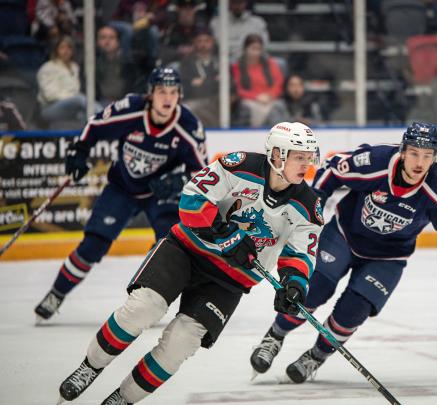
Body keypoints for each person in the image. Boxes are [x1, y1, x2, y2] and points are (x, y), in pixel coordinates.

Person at [56, 121, 323, 404]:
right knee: (143, 308)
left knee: (181, 343)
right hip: (187, 250)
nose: (306, 164)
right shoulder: (239, 165)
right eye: (299, 156)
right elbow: (192, 199)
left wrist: (294, 285)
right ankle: (90, 367)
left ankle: (123, 398)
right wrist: (225, 235)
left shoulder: (308, 206)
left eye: (309, 157)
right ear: (278, 155)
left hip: (229, 280)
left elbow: (301, 254)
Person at [250, 122, 437, 383]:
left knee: (354, 310)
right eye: (413, 154)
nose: (419, 163)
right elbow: (333, 169)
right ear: (402, 151)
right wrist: (315, 201)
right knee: (314, 287)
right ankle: (275, 336)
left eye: (427, 156)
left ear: (436, 157)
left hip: (389, 257)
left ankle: (316, 356)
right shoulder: (376, 162)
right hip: (343, 235)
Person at [34, 67, 207, 323]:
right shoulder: (130, 109)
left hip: (161, 194)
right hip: (123, 187)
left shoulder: (188, 126)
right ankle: (56, 293)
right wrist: (79, 151)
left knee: (168, 247)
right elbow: (95, 125)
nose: (167, 98)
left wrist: (181, 181)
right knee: (93, 244)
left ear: (180, 95)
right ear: (150, 94)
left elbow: (201, 175)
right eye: (161, 91)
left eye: (173, 92)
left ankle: (145, 302)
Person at [36, 35, 92, 127]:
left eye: (69, 48)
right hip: (49, 108)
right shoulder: (48, 67)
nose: (66, 51)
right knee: (80, 99)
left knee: (84, 114)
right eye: (62, 47)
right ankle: (106, 119)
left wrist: (73, 98)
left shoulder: (75, 67)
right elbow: (49, 95)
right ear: (56, 50)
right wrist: (72, 98)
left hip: (71, 107)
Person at [232, 33, 285, 128]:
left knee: (278, 107)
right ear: (245, 49)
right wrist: (256, 97)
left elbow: (279, 82)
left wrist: (270, 95)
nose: (256, 53)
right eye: (253, 49)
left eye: (258, 49)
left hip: (269, 99)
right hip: (249, 100)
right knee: (245, 108)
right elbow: (238, 88)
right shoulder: (238, 66)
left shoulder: (270, 63)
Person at [180, 27, 219, 127]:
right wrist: (213, 81)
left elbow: (227, 85)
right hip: (194, 101)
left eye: (207, 41)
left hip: (216, 101)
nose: (203, 45)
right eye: (199, 41)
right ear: (194, 43)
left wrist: (202, 83)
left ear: (212, 42)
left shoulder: (220, 62)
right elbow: (185, 86)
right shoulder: (187, 62)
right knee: (186, 109)